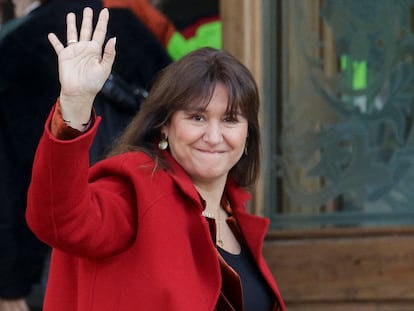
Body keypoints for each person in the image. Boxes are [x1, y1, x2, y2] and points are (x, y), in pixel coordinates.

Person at [26, 7, 286, 311]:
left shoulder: (235, 215)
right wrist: (74, 107)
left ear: (247, 135)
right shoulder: (137, 189)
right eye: (198, 118)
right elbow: (60, 219)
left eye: (230, 120)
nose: (214, 136)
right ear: (165, 124)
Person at [0, 1, 171, 310]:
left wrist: (9, 281)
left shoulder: (14, 45)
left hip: (49, 254)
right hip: (145, 235)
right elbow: (177, 125)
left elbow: (5, 176)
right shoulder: (130, 27)